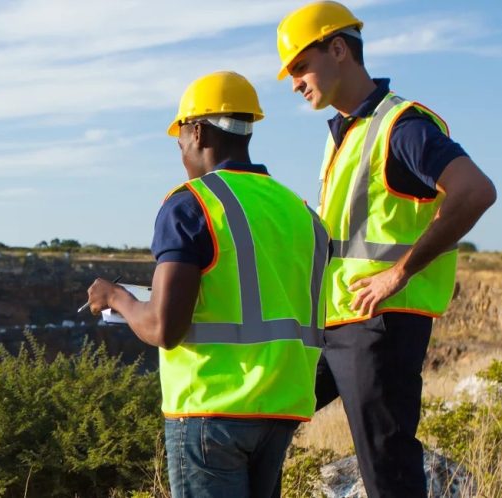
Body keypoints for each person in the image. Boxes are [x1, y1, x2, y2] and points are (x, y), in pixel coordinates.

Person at [274, 3, 497, 497]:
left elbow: (475, 191)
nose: (294, 82)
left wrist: (399, 272)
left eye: (299, 66)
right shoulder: (344, 134)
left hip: (380, 326)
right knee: (266, 418)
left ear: (338, 50)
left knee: (388, 471)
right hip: (336, 324)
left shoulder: (402, 125)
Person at [86, 71, 330, 497]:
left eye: (179, 139)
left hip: (210, 411)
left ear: (197, 131)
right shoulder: (300, 212)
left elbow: (164, 328)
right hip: (281, 408)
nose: (180, 151)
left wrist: (117, 297)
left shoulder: (191, 204)